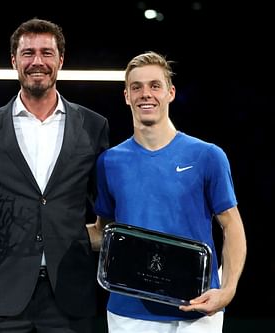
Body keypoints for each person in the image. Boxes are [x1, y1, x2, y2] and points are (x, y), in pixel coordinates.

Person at [0, 18, 110, 333]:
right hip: (0, 296)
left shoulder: (94, 127)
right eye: (28, 53)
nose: (37, 62)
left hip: (70, 295)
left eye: (46, 53)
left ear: (61, 60)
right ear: (14, 61)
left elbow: (105, 206)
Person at [88, 51, 247, 333]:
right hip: (128, 313)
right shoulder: (109, 162)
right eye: (136, 87)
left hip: (197, 311)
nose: (145, 94)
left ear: (170, 93)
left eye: (154, 86)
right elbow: (104, 232)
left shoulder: (208, 156)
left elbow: (232, 225)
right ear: (126, 96)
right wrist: (48, 233)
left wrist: (228, 290)